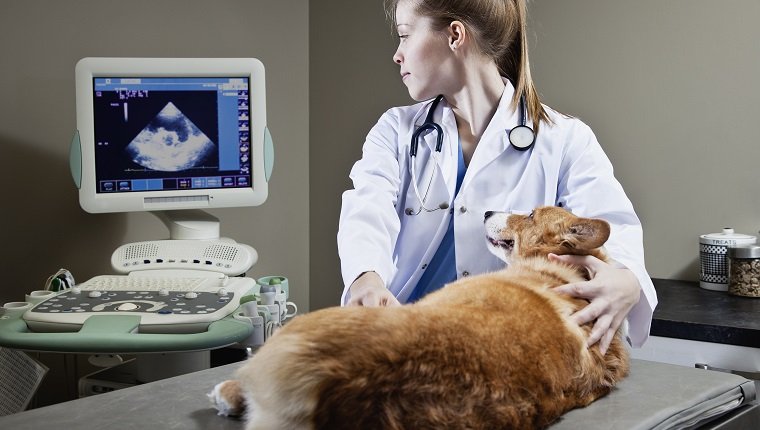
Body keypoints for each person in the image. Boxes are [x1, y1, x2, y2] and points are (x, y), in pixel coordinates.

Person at [337, 0, 657, 354]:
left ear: (455, 35)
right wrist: (365, 279)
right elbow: (366, 210)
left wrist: (626, 280)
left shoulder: (565, 140)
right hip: (400, 339)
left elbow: (614, 227)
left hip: (499, 349)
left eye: (405, 36)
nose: (397, 55)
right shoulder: (395, 130)